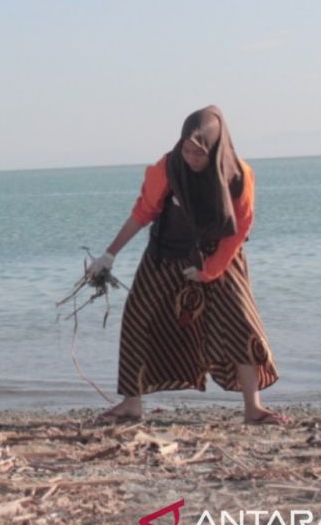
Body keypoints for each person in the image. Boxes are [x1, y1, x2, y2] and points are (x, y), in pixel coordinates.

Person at [85, 106, 285, 425]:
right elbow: (143, 211)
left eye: (199, 153)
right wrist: (109, 255)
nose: (191, 158)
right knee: (138, 317)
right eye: (187, 150)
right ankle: (131, 404)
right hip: (166, 252)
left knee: (242, 323)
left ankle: (254, 408)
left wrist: (210, 270)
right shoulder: (169, 165)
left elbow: (241, 228)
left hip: (220, 253)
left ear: (216, 148)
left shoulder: (238, 175)